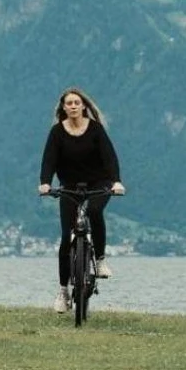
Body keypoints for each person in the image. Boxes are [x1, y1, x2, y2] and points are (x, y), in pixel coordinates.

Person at [38, 87, 126, 313]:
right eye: (69, 103)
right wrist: (45, 183)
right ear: (63, 108)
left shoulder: (95, 129)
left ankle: (100, 259)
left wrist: (116, 182)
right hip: (69, 186)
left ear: (84, 106)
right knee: (66, 238)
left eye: (77, 102)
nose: (74, 106)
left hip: (99, 183)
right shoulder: (57, 132)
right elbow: (49, 160)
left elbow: (110, 157)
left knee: (95, 212)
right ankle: (63, 292)